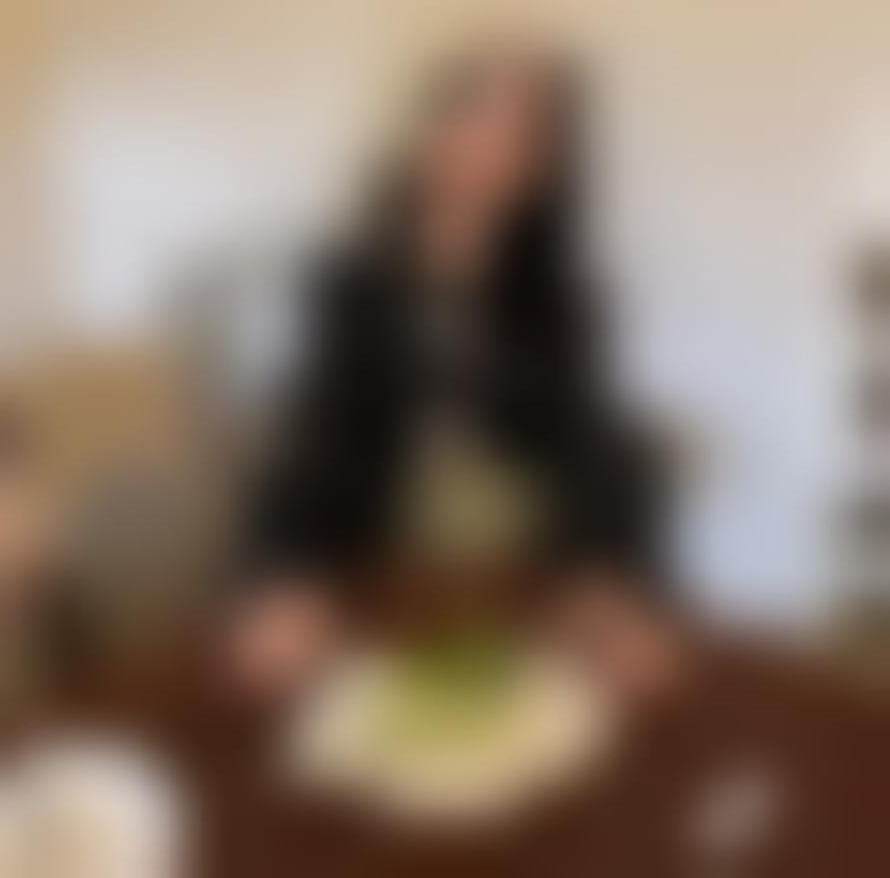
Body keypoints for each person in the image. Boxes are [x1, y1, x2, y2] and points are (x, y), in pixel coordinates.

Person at [225, 41, 679, 702]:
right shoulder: (348, 282)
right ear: (430, 130)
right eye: (472, 117)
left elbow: (591, 442)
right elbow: (316, 436)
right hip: (381, 556)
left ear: (544, 167)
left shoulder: (563, 296)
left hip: (528, 571)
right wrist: (287, 579)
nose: (486, 149)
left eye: (520, 135)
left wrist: (610, 581)